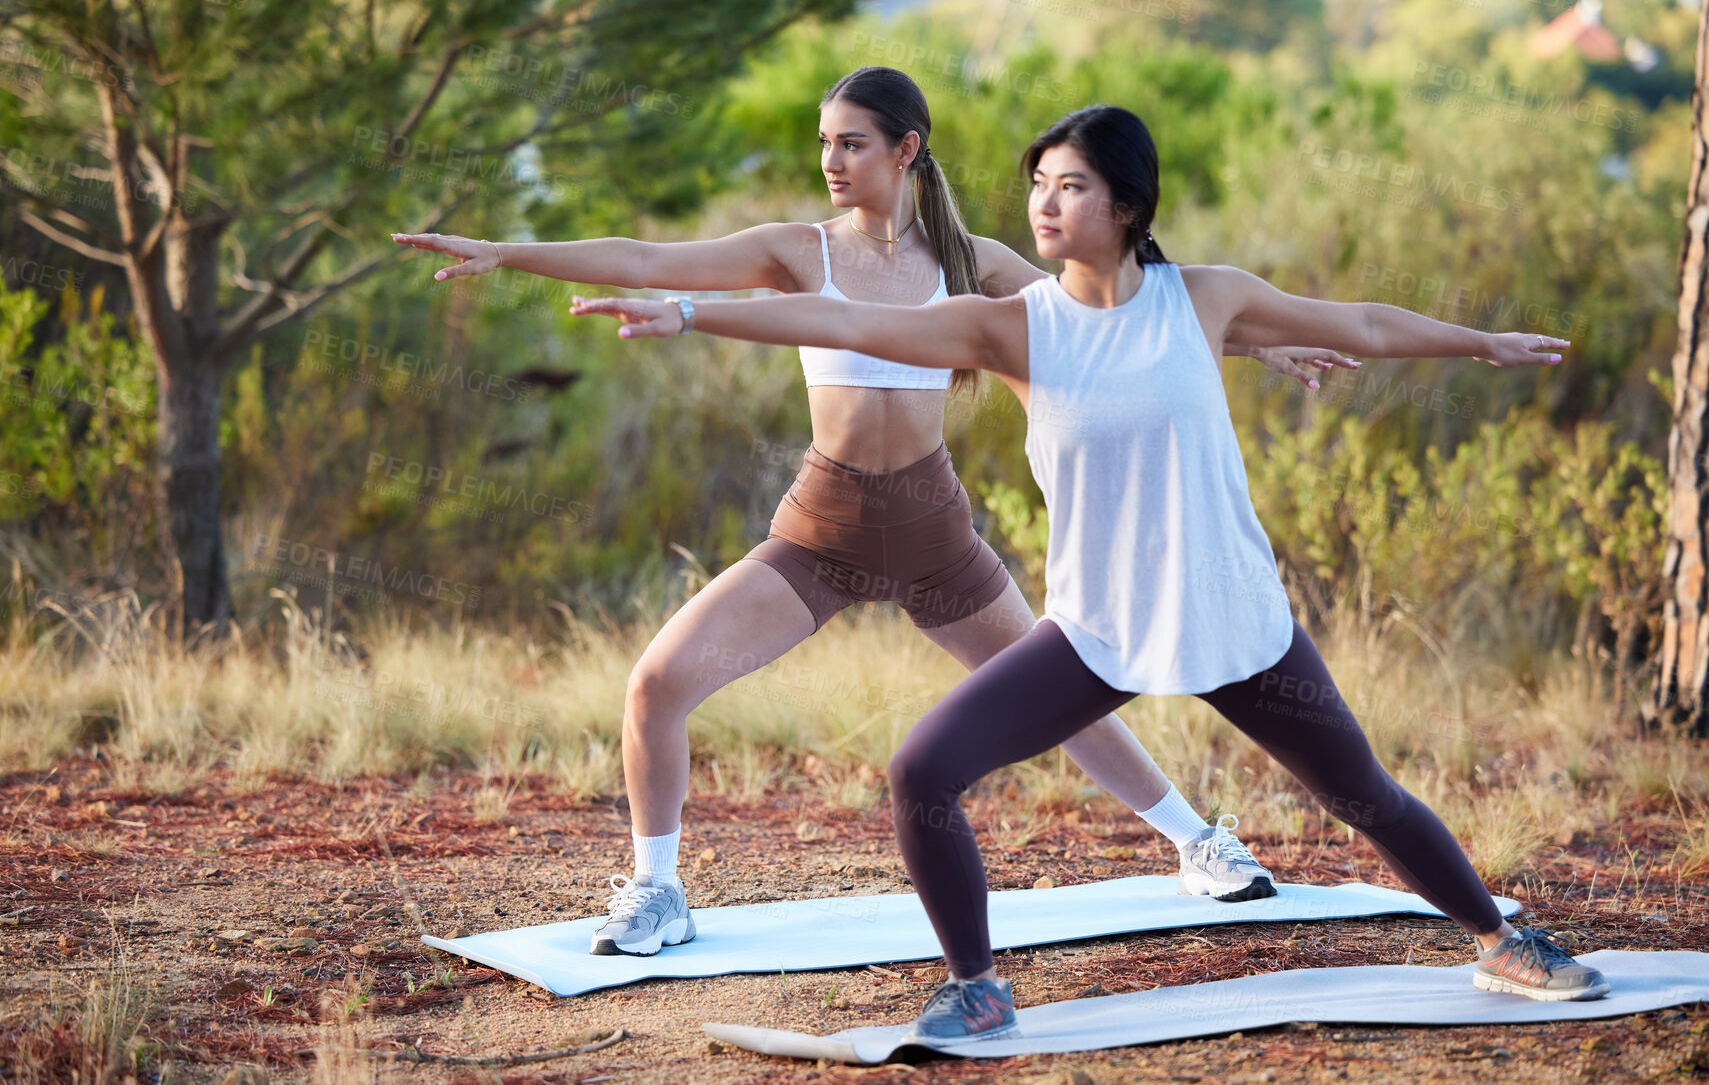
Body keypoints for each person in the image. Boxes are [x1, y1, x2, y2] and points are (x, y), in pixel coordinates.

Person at [568, 102, 1609, 1034]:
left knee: (1364, 797)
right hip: (1098, 627)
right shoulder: (1013, 325)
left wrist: (1476, 343)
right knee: (922, 771)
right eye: (1036, 184)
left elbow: (1363, 323)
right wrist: (692, 312)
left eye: (1070, 185)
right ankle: (975, 985)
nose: (1045, 203)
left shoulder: (1204, 300)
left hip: (1230, 616)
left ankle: (1498, 939)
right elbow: (843, 319)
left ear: (1125, 202)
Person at [394, 69, 1348, 956]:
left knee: (1073, 690)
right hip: (822, 532)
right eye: (823, 142)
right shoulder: (796, 250)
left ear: (906, 149)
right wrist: (505, 252)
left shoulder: (975, 261)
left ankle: (1194, 844)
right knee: (657, 683)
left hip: (936, 535)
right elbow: (646, 254)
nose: (830, 161)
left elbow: (1118, 315)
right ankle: (655, 888)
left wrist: (1257, 345)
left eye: (851, 143)